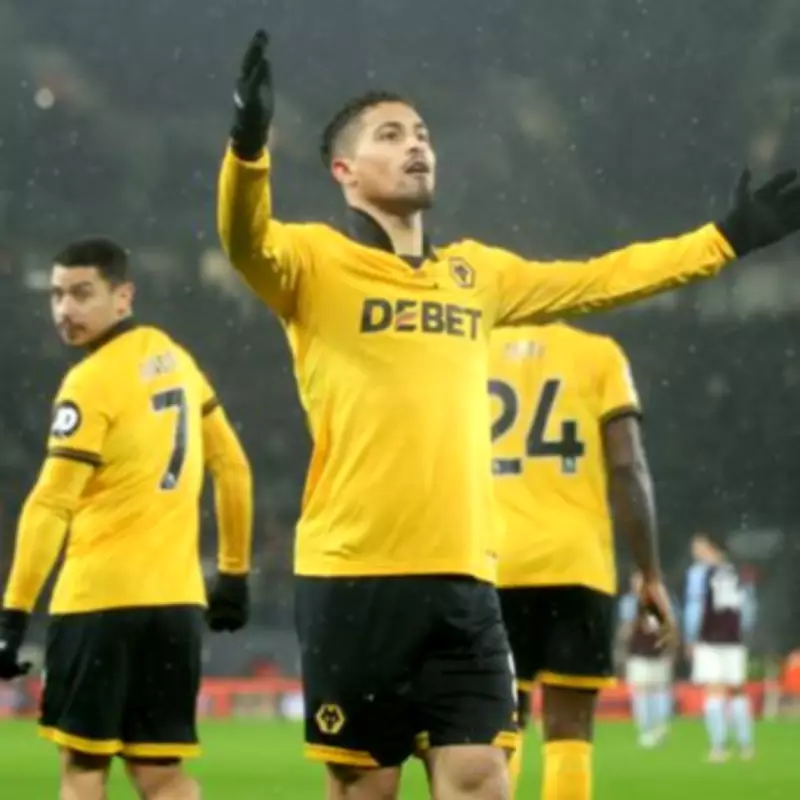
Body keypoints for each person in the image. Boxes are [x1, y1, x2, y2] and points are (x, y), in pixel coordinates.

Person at [218, 30, 800, 800]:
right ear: (343, 171)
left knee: (482, 780)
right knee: (367, 789)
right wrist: (247, 145)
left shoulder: (476, 275)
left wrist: (724, 239)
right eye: (390, 135)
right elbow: (243, 236)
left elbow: (601, 279)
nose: (416, 144)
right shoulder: (312, 263)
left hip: (467, 582)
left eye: (422, 133)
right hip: (355, 578)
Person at [0, 238, 253, 800]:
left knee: (83, 771)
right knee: (161, 776)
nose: (65, 309)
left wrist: (13, 616)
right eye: (57, 295)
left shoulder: (90, 381)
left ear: (123, 296)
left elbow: (51, 503)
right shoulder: (177, 359)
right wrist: (233, 574)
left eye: (81, 293)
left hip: (99, 602)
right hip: (175, 606)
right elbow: (233, 466)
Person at [488, 323, 676, 799]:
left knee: (497, 722)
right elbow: (627, 466)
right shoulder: (598, 355)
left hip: (492, 563)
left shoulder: (474, 351)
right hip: (576, 565)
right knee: (569, 727)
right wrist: (650, 574)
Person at [684, 533, 757, 762]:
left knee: (714, 690)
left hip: (710, 639)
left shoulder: (699, 573)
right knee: (737, 690)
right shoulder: (738, 572)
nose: (696, 552)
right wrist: (742, 633)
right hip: (734, 639)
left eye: (699, 547)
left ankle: (719, 746)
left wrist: (690, 636)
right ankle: (746, 746)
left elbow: (695, 606)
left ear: (711, 548)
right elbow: (750, 608)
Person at [618, 572, 676, 748]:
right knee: (646, 691)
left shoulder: (634, 602)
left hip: (652, 653)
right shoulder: (655, 601)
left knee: (654, 691)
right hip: (642, 653)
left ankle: (656, 728)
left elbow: (626, 630)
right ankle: (650, 729)